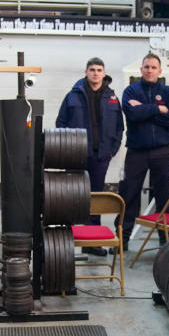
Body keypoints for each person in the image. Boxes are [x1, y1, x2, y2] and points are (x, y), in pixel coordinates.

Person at [118, 53, 169, 249]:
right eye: (146, 67)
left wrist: (146, 109)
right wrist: (158, 109)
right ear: (141, 69)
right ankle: (122, 239)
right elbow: (132, 115)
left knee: (164, 195)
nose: (149, 70)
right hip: (136, 152)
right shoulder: (130, 91)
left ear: (160, 71)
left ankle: (166, 241)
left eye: (153, 67)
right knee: (129, 195)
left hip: (161, 152)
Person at [56, 57, 124, 242]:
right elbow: (60, 124)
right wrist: (67, 150)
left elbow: (119, 128)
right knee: (71, 196)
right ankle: (65, 239)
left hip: (100, 157)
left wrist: (111, 152)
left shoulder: (112, 98)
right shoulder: (73, 96)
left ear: (104, 73)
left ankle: (92, 240)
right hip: (75, 155)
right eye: (92, 69)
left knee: (95, 199)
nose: (95, 73)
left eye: (99, 70)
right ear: (86, 72)